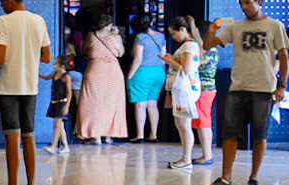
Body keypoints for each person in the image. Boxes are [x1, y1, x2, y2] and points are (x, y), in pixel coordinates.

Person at [202, 0, 289, 185]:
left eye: (248, 2)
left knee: (260, 135)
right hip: (238, 87)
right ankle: (225, 179)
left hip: (263, 88)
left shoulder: (274, 26)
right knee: (229, 134)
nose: (244, 7)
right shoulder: (235, 27)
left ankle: (254, 178)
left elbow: (284, 56)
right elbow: (208, 46)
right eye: (241, 3)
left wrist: (282, 85)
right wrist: (211, 31)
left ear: (259, 1)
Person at [0, 0, 50, 185]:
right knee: (29, 136)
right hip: (30, 86)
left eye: (1, 2)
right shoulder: (38, 20)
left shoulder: (3, 22)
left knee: (12, 138)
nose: (1, 6)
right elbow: (46, 56)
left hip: (8, 87)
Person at [78, 13, 127, 144]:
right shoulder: (115, 37)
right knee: (112, 104)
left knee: (92, 103)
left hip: (95, 70)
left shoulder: (91, 35)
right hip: (113, 72)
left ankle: (95, 135)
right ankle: (109, 135)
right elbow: (121, 53)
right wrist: (117, 34)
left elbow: (85, 50)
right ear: (110, 25)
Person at [164, 16, 202, 170]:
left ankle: (186, 159)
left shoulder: (188, 47)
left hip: (186, 89)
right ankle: (185, 157)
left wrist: (169, 61)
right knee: (181, 123)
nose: (174, 37)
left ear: (182, 30)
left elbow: (186, 69)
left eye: (174, 33)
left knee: (184, 124)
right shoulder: (190, 46)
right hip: (185, 88)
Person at [126, 14, 167, 144]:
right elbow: (163, 56)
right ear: (151, 22)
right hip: (159, 73)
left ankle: (140, 135)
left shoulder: (140, 37)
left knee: (140, 105)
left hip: (143, 72)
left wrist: (129, 75)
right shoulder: (161, 36)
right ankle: (153, 134)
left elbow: (138, 59)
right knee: (153, 105)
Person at [193, 35, 220, 165]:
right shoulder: (214, 49)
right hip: (210, 87)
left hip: (202, 87)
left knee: (203, 122)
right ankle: (207, 153)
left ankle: (207, 154)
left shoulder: (203, 50)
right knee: (205, 120)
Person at [41, 56, 70, 154]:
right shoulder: (55, 73)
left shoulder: (66, 77)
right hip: (55, 102)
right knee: (59, 125)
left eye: (55, 63)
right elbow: (47, 77)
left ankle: (53, 146)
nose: (53, 65)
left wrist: (67, 105)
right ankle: (65, 146)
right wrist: (37, 74)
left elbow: (69, 92)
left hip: (62, 102)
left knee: (57, 124)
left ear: (61, 66)